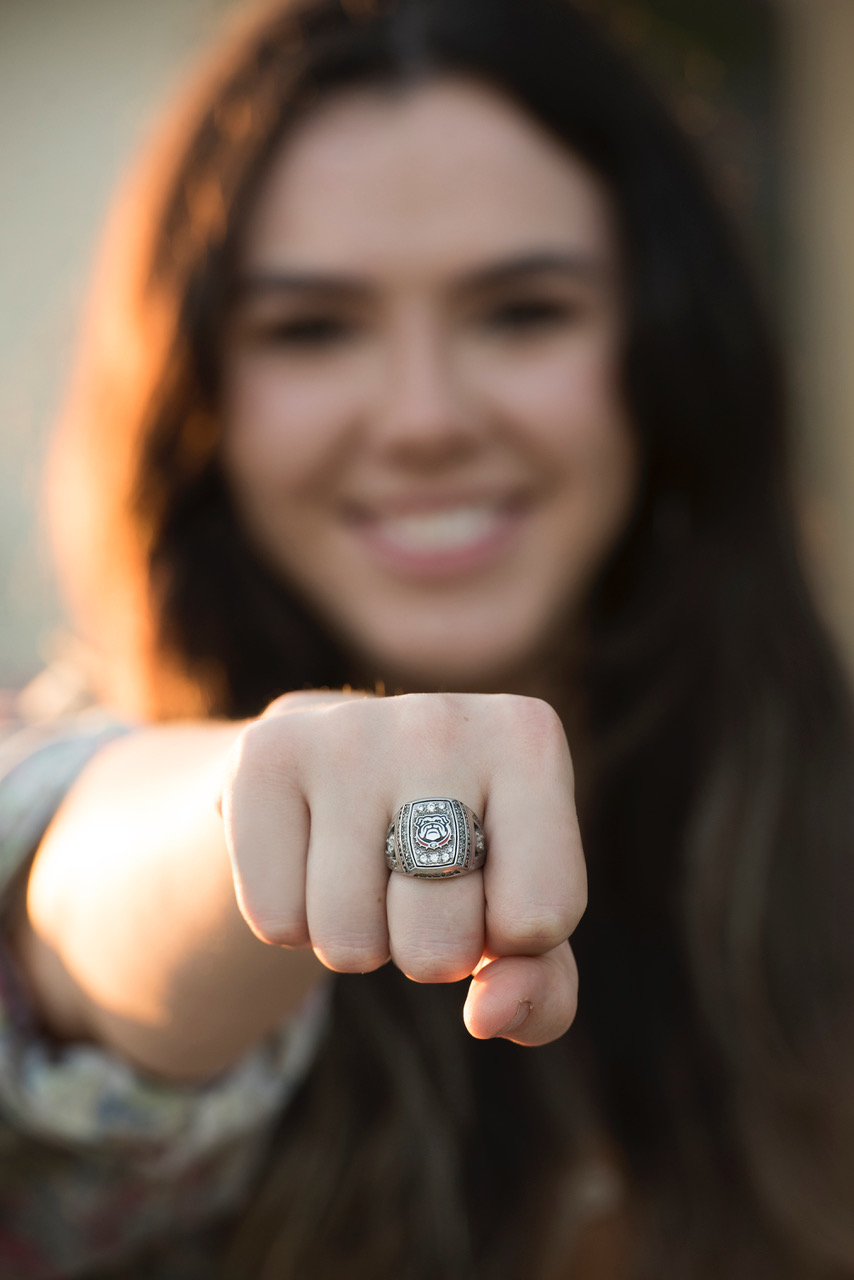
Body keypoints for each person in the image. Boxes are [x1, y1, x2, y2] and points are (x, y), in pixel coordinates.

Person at [1, 0, 852, 1276]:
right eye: (311, 328)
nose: (423, 419)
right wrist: (260, 791)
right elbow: (59, 908)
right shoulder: (118, 819)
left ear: (665, 354)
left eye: (521, 312)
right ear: (200, 402)